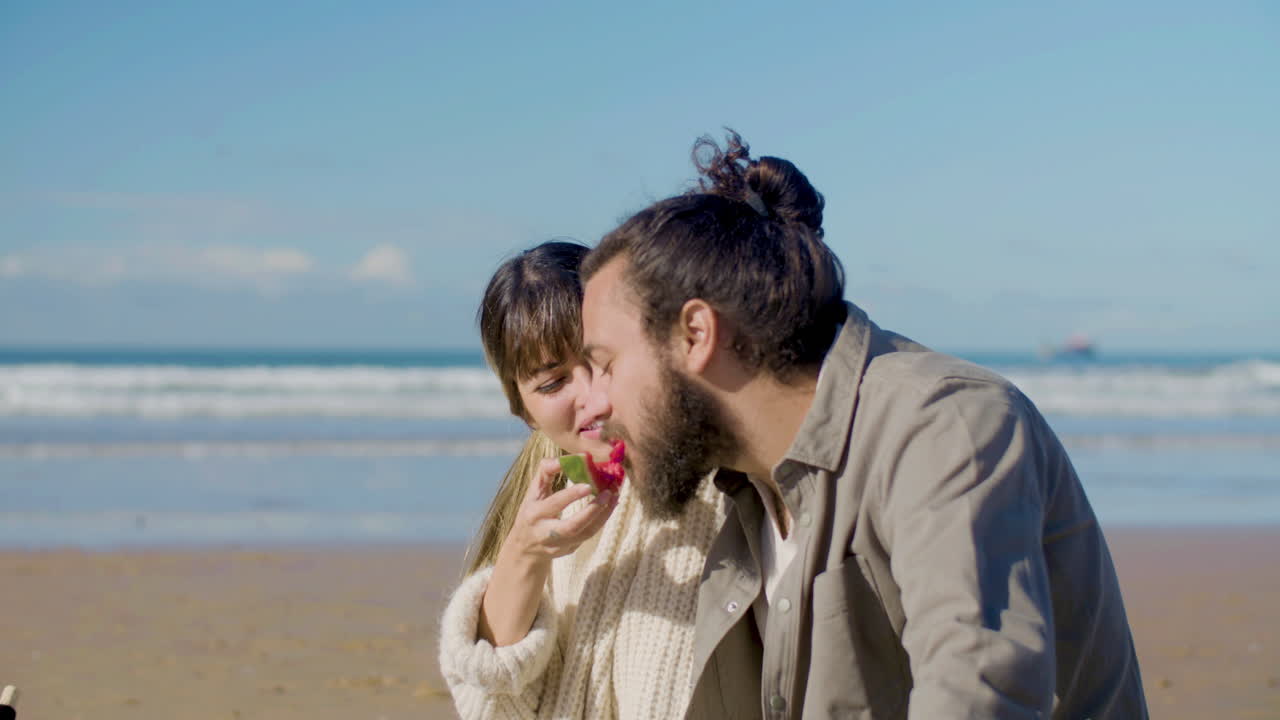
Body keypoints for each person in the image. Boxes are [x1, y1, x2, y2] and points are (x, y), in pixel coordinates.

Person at [577, 132, 1149, 719]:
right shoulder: (746, 487)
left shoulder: (941, 425)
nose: (592, 404)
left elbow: (976, 697)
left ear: (696, 334)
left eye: (605, 365)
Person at [437, 240, 725, 720]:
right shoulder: (555, 501)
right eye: (552, 384)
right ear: (522, 410)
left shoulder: (724, 479)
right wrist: (525, 551)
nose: (594, 398)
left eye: (601, 361)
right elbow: (493, 701)